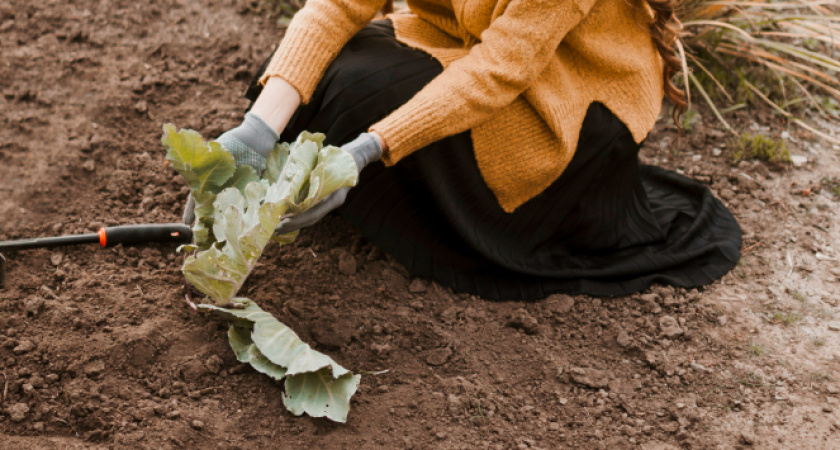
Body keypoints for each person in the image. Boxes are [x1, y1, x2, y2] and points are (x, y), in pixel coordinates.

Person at [185, 0, 742, 300]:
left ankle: (426, 204)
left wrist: (362, 152)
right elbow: (338, 6)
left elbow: (499, 72)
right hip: (468, 46)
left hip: (569, 94)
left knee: (354, 110)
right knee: (287, 84)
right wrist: (257, 130)